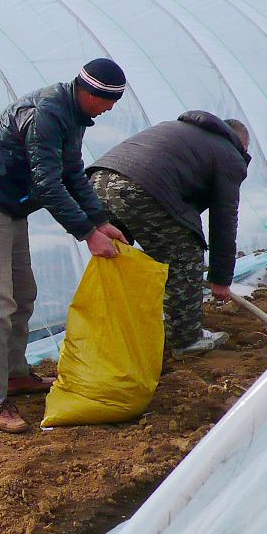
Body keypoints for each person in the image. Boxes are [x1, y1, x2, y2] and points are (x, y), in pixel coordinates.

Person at [0, 58, 129, 433]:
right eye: (106, 100)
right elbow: (47, 184)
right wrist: (88, 233)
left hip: (11, 204)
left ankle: (15, 374)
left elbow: (72, 172)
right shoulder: (47, 115)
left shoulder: (73, 115)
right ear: (87, 92)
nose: (109, 109)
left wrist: (100, 219)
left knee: (23, 293)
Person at [86, 112, 251, 358]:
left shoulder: (183, 131)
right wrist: (221, 278)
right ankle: (187, 339)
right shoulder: (229, 153)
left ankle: (110, 335)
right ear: (241, 144)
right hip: (138, 189)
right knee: (185, 254)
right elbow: (224, 220)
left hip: (96, 182)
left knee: (119, 258)